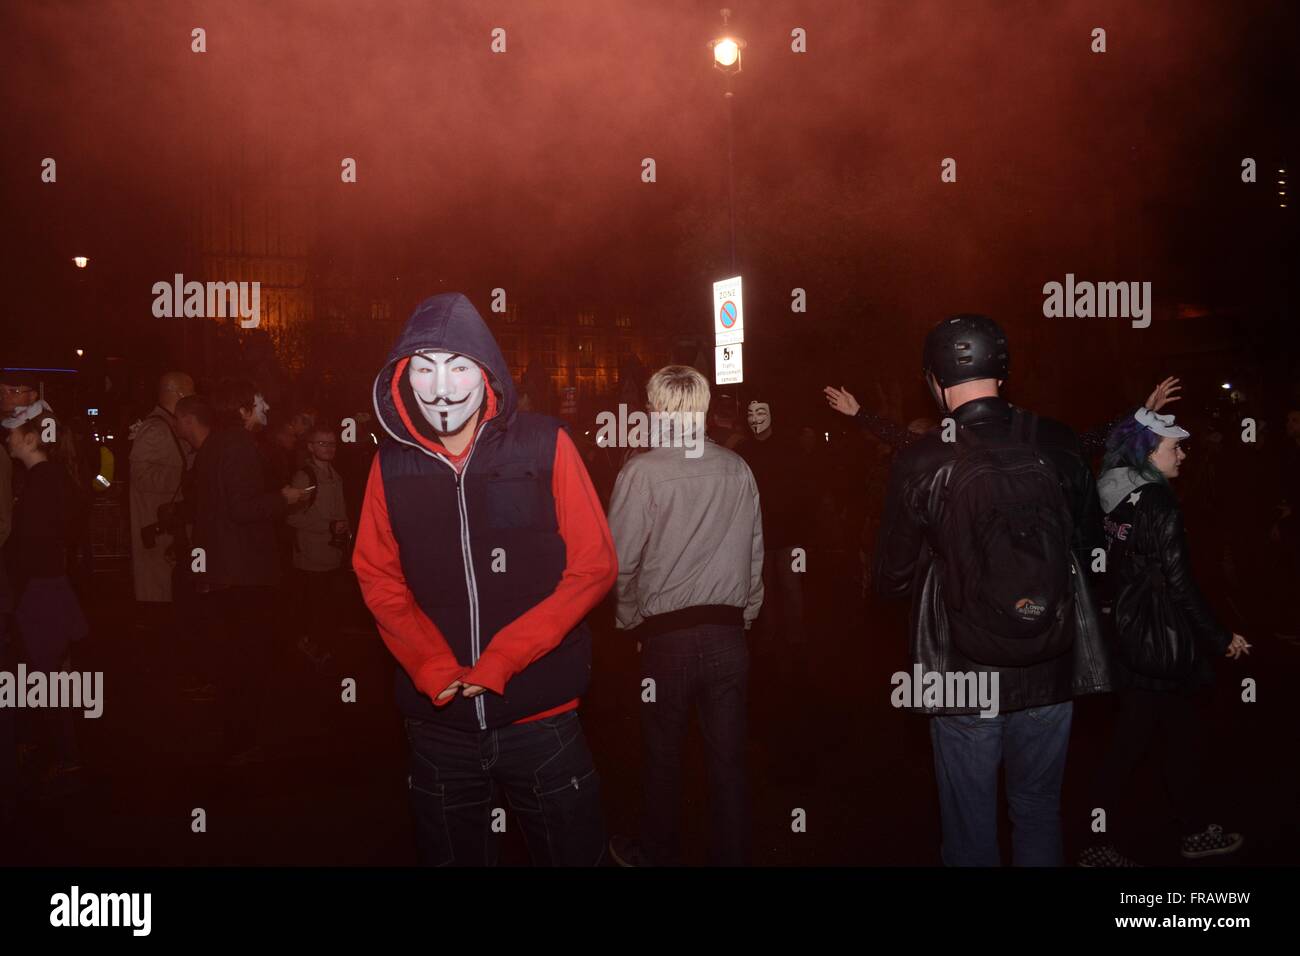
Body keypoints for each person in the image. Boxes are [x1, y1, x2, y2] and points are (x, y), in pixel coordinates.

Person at [353, 292, 617, 867]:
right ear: (403, 376)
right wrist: (428, 665)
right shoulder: (390, 466)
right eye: (424, 368)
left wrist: (504, 657)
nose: (442, 388)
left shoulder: (547, 444)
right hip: (438, 727)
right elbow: (377, 574)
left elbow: (594, 565)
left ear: (487, 372)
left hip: (541, 721)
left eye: (458, 367)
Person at [874, 313, 1112, 867]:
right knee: (1036, 808)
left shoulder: (920, 459)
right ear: (1003, 370)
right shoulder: (1058, 442)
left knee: (969, 822)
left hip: (961, 669)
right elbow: (1094, 554)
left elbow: (890, 578)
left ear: (935, 378)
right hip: (1052, 664)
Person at [605, 366, 764, 867]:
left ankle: (656, 852)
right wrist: (748, 615)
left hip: (666, 641)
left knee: (662, 751)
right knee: (728, 759)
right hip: (727, 635)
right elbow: (754, 550)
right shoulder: (737, 468)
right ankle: (733, 854)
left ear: (656, 409)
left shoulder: (641, 472)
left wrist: (631, 621)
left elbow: (619, 561)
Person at [1079, 408, 1249, 866]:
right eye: (1174, 447)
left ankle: (1186, 828)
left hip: (1130, 633)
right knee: (1139, 743)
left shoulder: (1118, 492)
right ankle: (1097, 841)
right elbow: (1180, 582)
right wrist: (1220, 637)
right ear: (1151, 453)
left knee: (1167, 737)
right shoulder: (1158, 502)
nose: (1183, 453)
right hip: (1161, 639)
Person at [174, 393, 307, 765]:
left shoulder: (216, 444)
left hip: (224, 570)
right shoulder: (238, 446)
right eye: (260, 404)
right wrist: (283, 498)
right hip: (242, 572)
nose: (267, 409)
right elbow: (242, 507)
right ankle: (242, 740)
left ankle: (235, 734)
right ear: (243, 409)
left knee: (234, 657)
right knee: (246, 660)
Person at [3, 401, 89, 786]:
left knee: (45, 678)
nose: (7, 436)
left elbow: (28, 548)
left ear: (31, 438)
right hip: (50, 587)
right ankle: (51, 747)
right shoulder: (52, 478)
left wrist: (12, 592)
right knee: (50, 674)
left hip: (39, 592)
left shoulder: (39, 483)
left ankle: (63, 754)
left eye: (13, 431)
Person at [738, 399, 805, 653]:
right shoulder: (744, 451)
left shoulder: (790, 448)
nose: (754, 419)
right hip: (758, 536)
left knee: (791, 587)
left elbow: (803, 491)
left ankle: (795, 642)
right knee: (761, 589)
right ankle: (769, 640)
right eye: (750, 413)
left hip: (789, 535)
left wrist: (803, 531)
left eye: (760, 412)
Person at [128, 372, 194, 606]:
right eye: (190, 391)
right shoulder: (156, 428)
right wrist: (186, 476)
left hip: (168, 525)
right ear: (178, 393)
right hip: (156, 525)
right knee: (161, 592)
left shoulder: (168, 425)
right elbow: (140, 475)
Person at [286, 426, 350, 666]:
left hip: (333, 554)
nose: (329, 448)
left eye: (332, 443)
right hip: (312, 557)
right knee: (316, 608)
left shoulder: (336, 475)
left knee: (328, 607)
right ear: (310, 447)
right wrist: (329, 525)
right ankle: (311, 648)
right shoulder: (305, 478)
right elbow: (292, 516)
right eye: (322, 443)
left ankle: (323, 647)